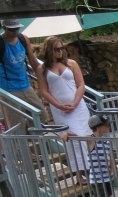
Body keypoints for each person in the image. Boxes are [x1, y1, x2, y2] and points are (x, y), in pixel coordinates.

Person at [37, 36, 92, 173]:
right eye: (56, 49)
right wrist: (58, 105)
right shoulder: (42, 68)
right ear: (49, 50)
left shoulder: (71, 64)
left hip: (77, 106)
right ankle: (79, 173)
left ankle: (91, 168)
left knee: (84, 136)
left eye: (62, 48)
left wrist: (75, 102)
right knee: (71, 140)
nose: (60, 52)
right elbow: (44, 90)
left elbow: (81, 85)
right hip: (60, 108)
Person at [0, 18, 45, 129]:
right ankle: (20, 143)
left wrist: (43, 76)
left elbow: (32, 60)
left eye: (17, 29)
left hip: (25, 85)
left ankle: (35, 136)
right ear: (4, 28)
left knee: (41, 115)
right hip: (9, 87)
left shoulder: (23, 38)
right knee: (17, 124)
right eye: (11, 29)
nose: (15, 32)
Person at [76, 113, 118, 197]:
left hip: (106, 176)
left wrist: (112, 170)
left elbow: (110, 157)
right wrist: (67, 134)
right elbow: (78, 136)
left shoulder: (105, 141)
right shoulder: (92, 140)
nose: (109, 127)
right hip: (97, 178)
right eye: (106, 125)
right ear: (99, 126)